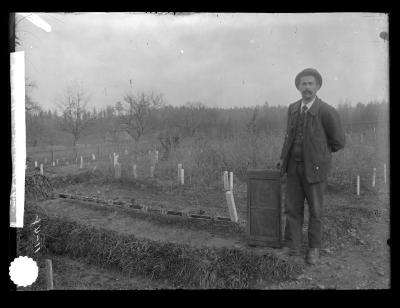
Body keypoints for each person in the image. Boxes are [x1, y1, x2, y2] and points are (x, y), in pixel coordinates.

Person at [277, 68, 345, 265]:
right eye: (303, 84)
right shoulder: (293, 108)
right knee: (292, 208)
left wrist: (319, 155)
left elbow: (338, 141)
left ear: (317, 86)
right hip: (292, 169)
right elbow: (288, 137)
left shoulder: (326, 111)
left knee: (316, 210)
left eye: (310, 84)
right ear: (298, 86)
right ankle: (293, 247)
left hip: (314, 171)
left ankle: (314, 249)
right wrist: (283, 158)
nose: (307, 87)